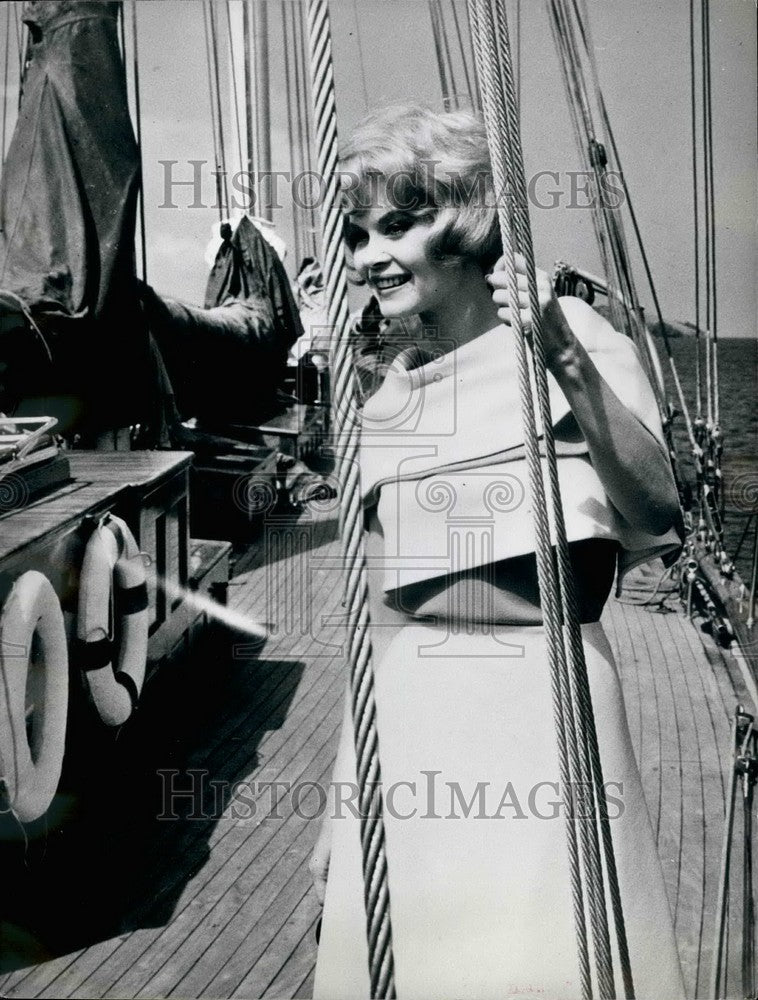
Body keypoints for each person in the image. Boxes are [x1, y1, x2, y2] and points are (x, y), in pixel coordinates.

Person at [310, 105, 686, 999]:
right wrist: (341, 807)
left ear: (468, 222)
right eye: (359, 234)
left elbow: (658, 507)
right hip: (413, 728)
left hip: (549, 708)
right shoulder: (388, 404)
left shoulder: (578, 347)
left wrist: (567, 364)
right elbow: (385, 626)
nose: (368, 257)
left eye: (398, 225)